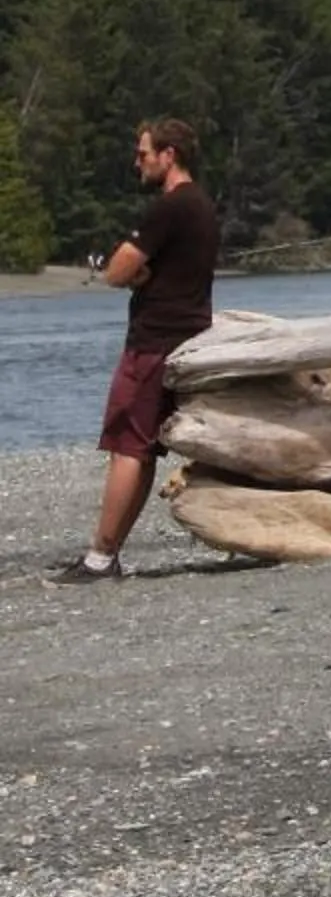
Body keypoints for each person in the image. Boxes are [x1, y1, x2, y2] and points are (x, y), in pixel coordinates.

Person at [57, 118, 220, 582]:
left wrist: (134, 271)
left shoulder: (169, 208)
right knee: (144, 450)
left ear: (169, 155)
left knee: (128, 445)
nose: (137, 162)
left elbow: (115, 270)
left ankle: (100, 558)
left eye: (143, 153)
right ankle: (108, 553)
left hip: (153, 342)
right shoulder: (204, 206)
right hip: (189, 334)